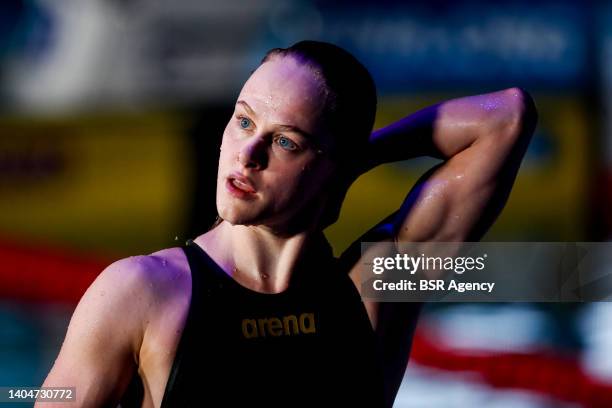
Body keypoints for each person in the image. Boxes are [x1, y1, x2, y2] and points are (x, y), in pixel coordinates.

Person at [38, 40, 537, 407]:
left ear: (332, 165)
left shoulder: (372, 291)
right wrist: (334, 165)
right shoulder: (143, 293)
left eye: (286, 142)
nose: (248, 154)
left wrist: (350, 163)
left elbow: (507, 118)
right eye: (244, 121)